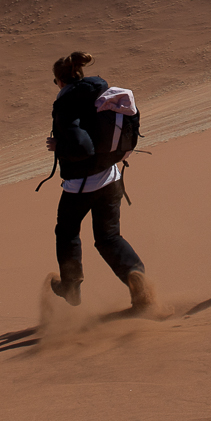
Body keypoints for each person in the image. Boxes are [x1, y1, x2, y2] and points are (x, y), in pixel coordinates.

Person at [44, 51, 153, 311]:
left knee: (67, 232)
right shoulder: (99, 94)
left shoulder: (67, 105)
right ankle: (136, 278)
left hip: (81, 186)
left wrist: (59, 146)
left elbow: (83, 148)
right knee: (109, 238)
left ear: (60, 81)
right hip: (111, 179)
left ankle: (71, 285)